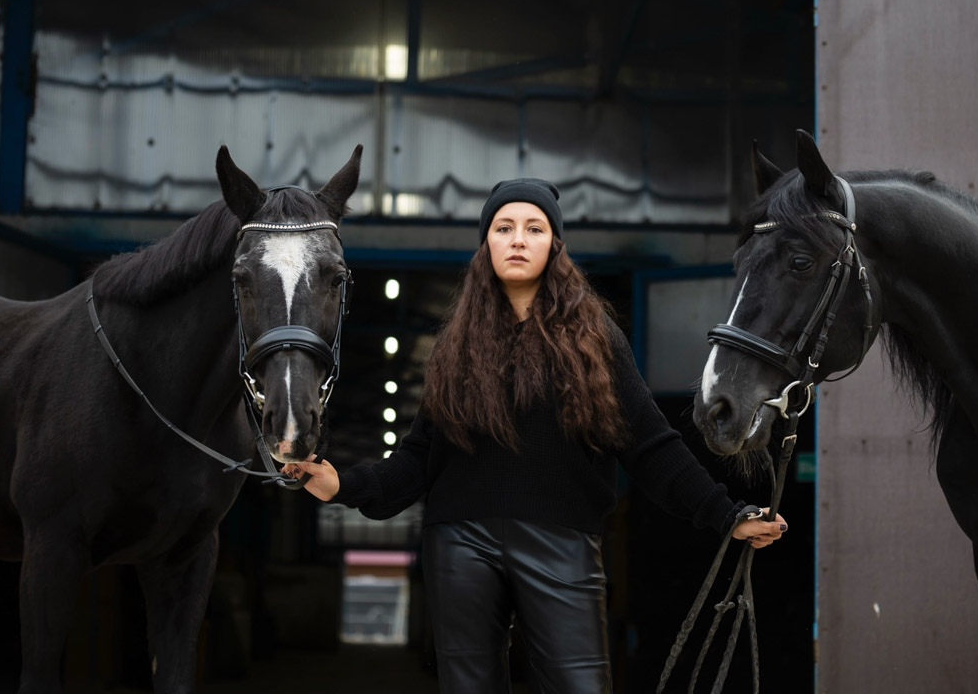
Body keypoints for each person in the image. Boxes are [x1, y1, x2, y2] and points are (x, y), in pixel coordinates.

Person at [285, 178, 787, 693]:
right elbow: (419, 457)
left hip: (561, 540)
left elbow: (650, 443)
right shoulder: (455, 343)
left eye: (534, 228)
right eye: (504, 228)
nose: (518, 239)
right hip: (461, 543)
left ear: (554, 245)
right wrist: (343, 486)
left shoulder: (595, 339)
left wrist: (725, 513)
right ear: (487, 245)